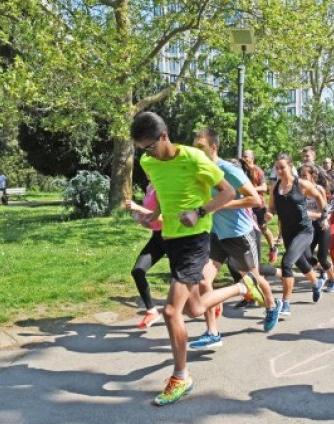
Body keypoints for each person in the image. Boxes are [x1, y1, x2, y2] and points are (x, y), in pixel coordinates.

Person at [130, 112, 263, 406]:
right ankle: (243, 287)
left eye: (149, 146)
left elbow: (227, 193)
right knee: (195, 307)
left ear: (164, 137)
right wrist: (153, 215)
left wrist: (200, 212)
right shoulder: (148, 162)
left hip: (196, 239)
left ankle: (181, 376)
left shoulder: (194, 159)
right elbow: (166, 193)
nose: (146, 154)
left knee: (170, 311)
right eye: (142, 149)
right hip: (172, 239)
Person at [188, 130, 281, 350]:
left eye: (200, 146)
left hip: (240, 234)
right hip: (216, 234)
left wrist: (217, 204)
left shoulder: (227, 170)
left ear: (213, 148)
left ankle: (271, 304)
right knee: (203, 280)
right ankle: (212, 332)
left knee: (253, 278)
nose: (196, 151)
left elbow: (255, 199)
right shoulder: (200, 170)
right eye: (194, 147)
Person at [269, 153, 325, 315]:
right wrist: (268, 215)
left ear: (291, 166)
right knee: (300, 262)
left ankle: (285, 303)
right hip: (287, 231)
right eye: (277, 168)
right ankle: (316, 283)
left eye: (282, 167)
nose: (279, 171)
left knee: (286, 263)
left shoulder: (301, 184)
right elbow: (272, 208)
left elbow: (318, 196)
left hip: (304, 230)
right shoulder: (275, 187)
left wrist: (321, 214)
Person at [125, 182, 165, 329]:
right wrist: (141, 219)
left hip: (173, 238)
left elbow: (163, 218)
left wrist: (138, 208)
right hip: (157, 237)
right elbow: (153, 222)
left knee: (190, 283)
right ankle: (151, 311)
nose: (147, 172)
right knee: (138, 271)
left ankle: (210, 299)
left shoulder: (162, 186)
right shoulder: (149, 187)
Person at [299, 164, 334, 292]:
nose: (302, 178)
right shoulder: (299, 190)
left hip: (321, 226)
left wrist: (323, 220)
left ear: (313, 176)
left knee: (323, 257)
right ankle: (322, 269)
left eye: (304, 175)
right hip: (307, 227)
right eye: (300, 175)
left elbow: (323, 209)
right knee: (305, 255)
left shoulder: (319, 189)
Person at [241, 149, 277, 264]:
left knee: (262, 227)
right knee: (249, 229)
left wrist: (251, 190)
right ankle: (249, 255)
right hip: (246, 204)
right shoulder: (242, 170)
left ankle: (273, 248)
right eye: (243, 156)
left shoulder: (258, 171)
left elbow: (264, 188)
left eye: (246, 156)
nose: (244, 158)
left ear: (252, 158)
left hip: (258, 204)